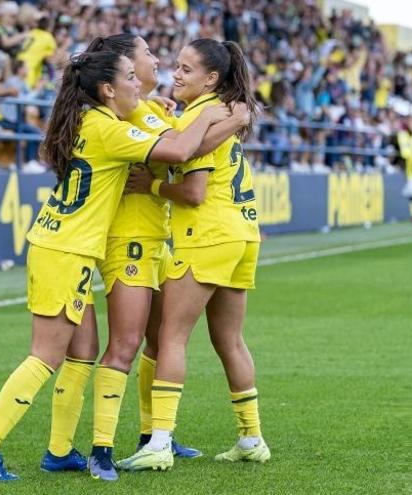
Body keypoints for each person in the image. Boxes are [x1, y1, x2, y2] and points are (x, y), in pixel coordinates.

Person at [0, 48, 231, 483]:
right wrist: (223, 115)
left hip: (62, 244)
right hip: (67, 250)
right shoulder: (110, 130)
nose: (138, 84)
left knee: (83, 351)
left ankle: (59, 451)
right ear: (108, 89)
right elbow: (178, 150)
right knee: (45, 355)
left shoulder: (88, 119)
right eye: (130, 75)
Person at [45, 33, 251, 481]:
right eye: (150, 55)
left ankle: (152, 435)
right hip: (129, 241)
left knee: (157, 343)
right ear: (127, 67)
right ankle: (104, 447)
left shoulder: (151, 107)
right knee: (126, 344)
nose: (160, 62)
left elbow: (183, 139)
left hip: (157, 239)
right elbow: (183, 149)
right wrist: (231, 117)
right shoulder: (133, 109)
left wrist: (219, 116)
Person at [117, 39, 271, 472]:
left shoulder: (204, 114)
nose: (176, 74)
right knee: (230, 341)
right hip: (243, 234)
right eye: (177, 67)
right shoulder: (223, 111)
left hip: (209, 234)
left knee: (171, 337)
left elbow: (194, 190)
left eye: (186, 69)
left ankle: (160, 441)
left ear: (211, 79)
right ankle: (251, 437)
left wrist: (149, 184)